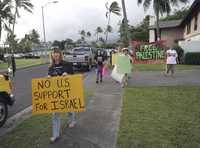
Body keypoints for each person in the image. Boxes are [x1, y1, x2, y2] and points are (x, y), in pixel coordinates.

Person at [48, 48, 76, 143]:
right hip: (56, 94)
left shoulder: (67, 64)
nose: (55, 54)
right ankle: (55, 135)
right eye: (53, 53)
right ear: (51, 55)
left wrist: (67, 74)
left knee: (69, 108)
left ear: (60, 54)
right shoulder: (50, 67)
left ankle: (72, 120)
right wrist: (47, 79)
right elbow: (49, 80)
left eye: (57, 53)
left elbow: (73, 77)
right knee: (55, 114)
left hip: (66, 92)